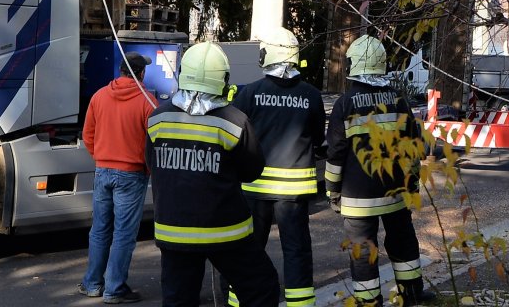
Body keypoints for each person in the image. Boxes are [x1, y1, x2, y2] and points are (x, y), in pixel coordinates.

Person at [145, 42, 280, 307]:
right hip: (226, 232)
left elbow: (152, 164)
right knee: (261, 289)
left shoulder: (157, 119)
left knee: (178, 300)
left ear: (184, 72)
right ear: (223, 79)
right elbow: (252, 170)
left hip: (174, 231)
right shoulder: (234, 121)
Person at [325, 35, 436, 307]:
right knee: (403, 243)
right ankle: (412, 294)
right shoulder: (397, 99)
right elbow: (413, 145)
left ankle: (369, 301)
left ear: (354, 65)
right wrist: (410, 186)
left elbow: (336, 153)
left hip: (358, 198)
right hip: (396, 192)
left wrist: (332, 190)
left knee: (363, 251)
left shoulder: (345, 103)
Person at [231, 28, 326, 307]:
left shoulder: (250, 93)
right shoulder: (310, 95)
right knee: (296, 250)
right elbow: (318, 138)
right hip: (293, 192)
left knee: (248, 249)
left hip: (255, 187)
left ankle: (241, 301)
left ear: (267, 55)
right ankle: (300, 303)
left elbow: (234, 134)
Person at [81, 52, 159, 303]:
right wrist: (148, 168)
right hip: (131, 174)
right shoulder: (148, 101)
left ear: (121, 71)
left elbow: (88, 134)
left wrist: (101, 158)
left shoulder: (99, 96)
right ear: (141, 74)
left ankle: (92, 283)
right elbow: (156, 141)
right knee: (124, 233)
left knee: (100, 230)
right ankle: (114, 288)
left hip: (103, 170)